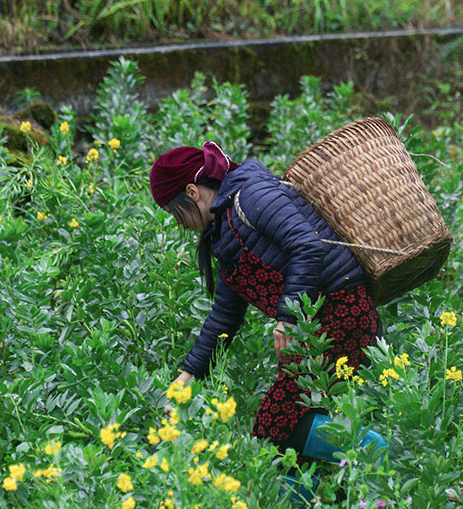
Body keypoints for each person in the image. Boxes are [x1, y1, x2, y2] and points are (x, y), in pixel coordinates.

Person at [149, 140, 388, 467]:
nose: (179, 223)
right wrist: (187, 377)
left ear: (192, 192)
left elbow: (307, 247)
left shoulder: (251, 195)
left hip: (342, 314)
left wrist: (287, 317)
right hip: (314, 330)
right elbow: (223, 320)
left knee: (277, 426)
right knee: (289, 446)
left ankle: (384, 456)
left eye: (175, 212)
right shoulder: (224, 231)